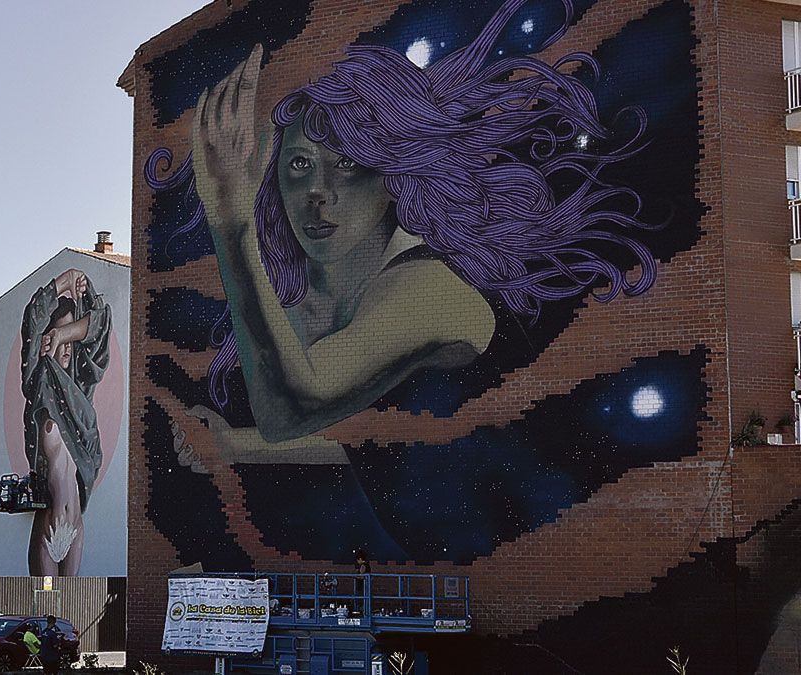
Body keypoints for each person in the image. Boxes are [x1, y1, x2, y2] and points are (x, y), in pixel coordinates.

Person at [146, 0, 658, 446]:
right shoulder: (313, 302)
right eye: (299, 164)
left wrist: (233, 228)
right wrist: (236, 447)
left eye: (348, 162)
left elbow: (307, 392)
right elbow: (285, 421)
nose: (318, 192)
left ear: (396, 174)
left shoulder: (430, 288)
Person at [20, 267, 113, 575]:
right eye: (59, 339)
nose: (67, 350)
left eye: (72, 340)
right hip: (49, 527)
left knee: (71, 607)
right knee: (45, 606)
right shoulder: (39, 381)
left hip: (76, 528)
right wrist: (63, 281)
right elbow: (33, 316)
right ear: (45, 341)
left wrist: (82, 291)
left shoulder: (80, 394)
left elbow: (100, 326)